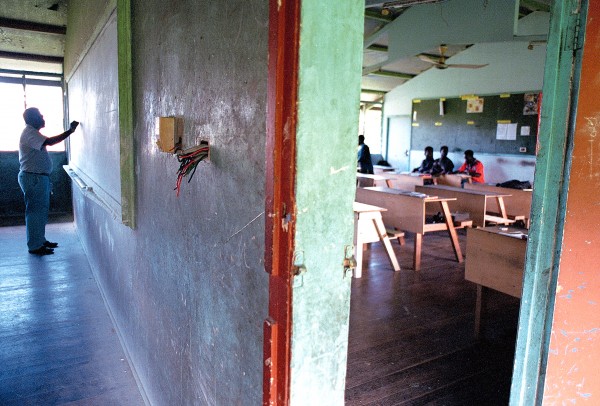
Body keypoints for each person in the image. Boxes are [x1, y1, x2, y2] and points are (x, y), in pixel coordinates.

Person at [18, 107, 79, 255]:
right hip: (34, 178)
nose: (42, 117)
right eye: (40, 115)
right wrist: (70, 131)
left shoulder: (32, 133)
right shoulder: (29, 133)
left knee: (40, 212)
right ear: (32, 119)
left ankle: (40, 240)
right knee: (35, 213)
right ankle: (35, 246)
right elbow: (50, 142)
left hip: (37, 178)